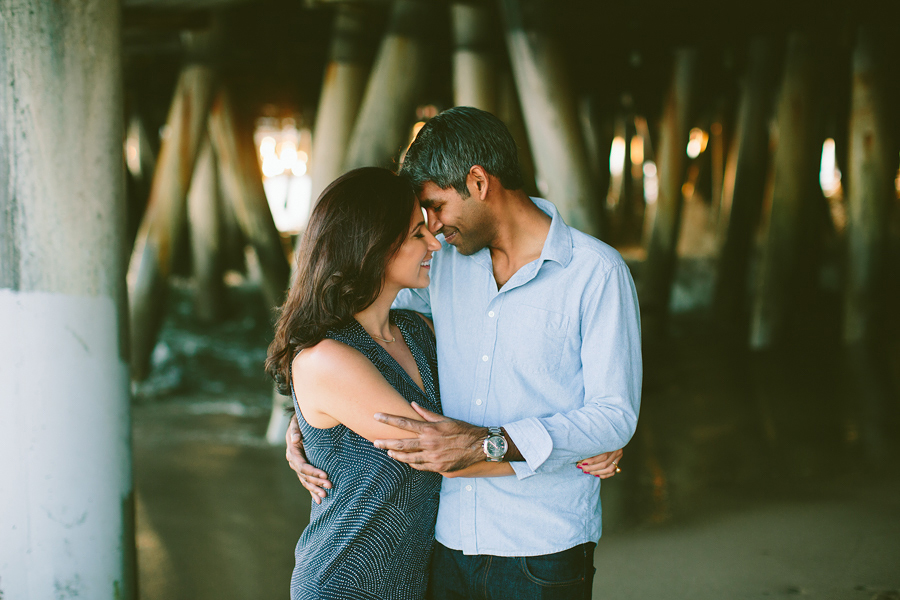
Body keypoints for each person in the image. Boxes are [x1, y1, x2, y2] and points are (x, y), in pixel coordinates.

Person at [287, 107, 642, 599]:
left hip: (541, 544)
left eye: (434, 206)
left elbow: (612, 416)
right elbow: (342, 314)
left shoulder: (595, 272)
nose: (431, 229)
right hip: (443, 545)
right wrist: (308, 421)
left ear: (478, 182)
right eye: (420, 224)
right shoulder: (444, 264)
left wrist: (510, 442)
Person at [266, 167, 517, 600]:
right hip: (344, 581)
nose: (434, 243)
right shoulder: (326, 358)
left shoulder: (417, 329)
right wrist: (571, 449)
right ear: (374, 247)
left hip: (412, 584)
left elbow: (488, 396)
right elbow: (444, 451)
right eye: (418, 233)